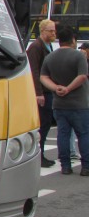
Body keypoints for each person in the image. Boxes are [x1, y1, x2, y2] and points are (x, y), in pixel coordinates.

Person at [40, 26, 89, 176]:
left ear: (59, 41)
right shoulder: (78, 56)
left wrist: (56, 88)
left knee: (63, 134)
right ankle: (86, 167)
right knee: (84, 134)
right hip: (79, 103)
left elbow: (43, 77)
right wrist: (68, 88)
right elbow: (82, 76)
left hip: (59, 104)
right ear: (73, 40)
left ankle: (65, 166)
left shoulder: (50, 57)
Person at [27, 19, 57, 167]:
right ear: (43, 31)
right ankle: (38, 155)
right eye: (51, 31)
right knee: (43, 124)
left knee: (46, 124)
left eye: (54, 30)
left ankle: (41, 154)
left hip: (47, 90)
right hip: (41, 92)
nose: (54, 33)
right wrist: (38, 93)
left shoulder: (47, 45)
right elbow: (34, 71)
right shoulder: (36, 47)